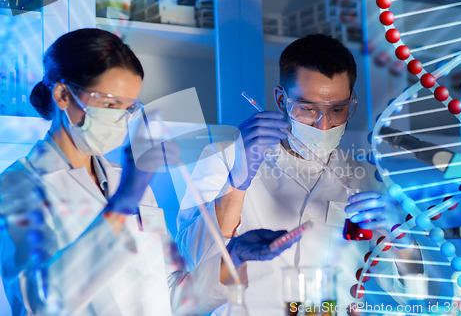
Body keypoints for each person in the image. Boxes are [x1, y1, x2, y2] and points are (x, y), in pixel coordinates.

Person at [0, 28, 297, 316]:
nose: (119, 117)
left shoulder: (125, 179)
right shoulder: (17, 186)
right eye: (110, 103)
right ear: (63, 95)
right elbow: (40, 304)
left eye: (128, 107)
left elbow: (172, 296)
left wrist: (234, 257)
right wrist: (122, 203)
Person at [176, 34, 423, 315]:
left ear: (351, 102)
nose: (323, 124)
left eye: (338, 109)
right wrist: (237, 183)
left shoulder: (365, 178)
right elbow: (193, 264)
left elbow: (415, 296)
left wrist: (403, 240)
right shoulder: (224, 158)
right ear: (281, 99)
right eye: (307, 108)